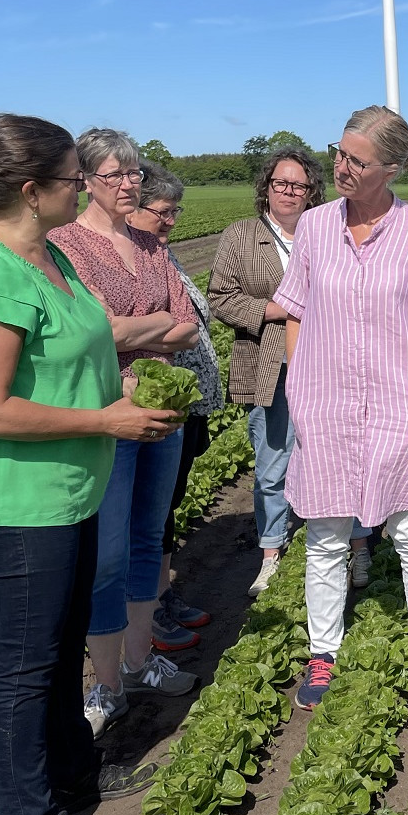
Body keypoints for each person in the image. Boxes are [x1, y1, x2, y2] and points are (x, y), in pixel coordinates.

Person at [0, 114, 176, 815]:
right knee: (25, 669)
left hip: (67, 488)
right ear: (33, 191)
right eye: (73, 180)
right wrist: (107, 423)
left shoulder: (48, 261)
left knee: (60, 648)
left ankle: (74, 779)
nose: (85, 189)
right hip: (19, 499)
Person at [272, 106, 408, 709]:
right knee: (326, 537)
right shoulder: (314, 228)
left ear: (392, 168)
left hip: (396, 410)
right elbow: (295, 311)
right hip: (325, 408)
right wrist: (301, 388)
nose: (341, 167)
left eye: (356, 160)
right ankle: (322, 652)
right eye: (339, 152)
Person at [51, 129, 202, 738]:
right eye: (113, 174)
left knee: (147, 539)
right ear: (85, 179)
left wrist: (136, 328)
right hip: (108, 415)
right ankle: (106, 682)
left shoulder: (150, 242)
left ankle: (142, 661)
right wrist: (154, 325)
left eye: (134, 173)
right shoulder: (65, 245)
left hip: (162, 415)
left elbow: (188, 325)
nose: (128, 184)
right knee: (107, 553)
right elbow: (90, 333)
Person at [205, 147, 382, 598]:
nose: (289, 192)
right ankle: (271, 551)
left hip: (330, 361)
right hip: (270, 362)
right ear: (266, 188)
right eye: (280, 184)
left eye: (299, 185)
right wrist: (273, 310)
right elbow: (221, 296)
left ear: (311, 192)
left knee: (347, 454)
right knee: (272, 461)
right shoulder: (241, 235)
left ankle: (358, 544)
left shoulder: (328, 230)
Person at [129, 162, 225, 646]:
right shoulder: (128, 260)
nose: (171, 221)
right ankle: (144, 617)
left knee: (165, 508)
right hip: (153, 406)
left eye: (174, 211)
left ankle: (161, 596)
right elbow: (162, 326)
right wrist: (167, 328)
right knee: (148, 515)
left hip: (185, 405)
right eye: (162, 212)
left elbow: (185, 322)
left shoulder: (161, 255)